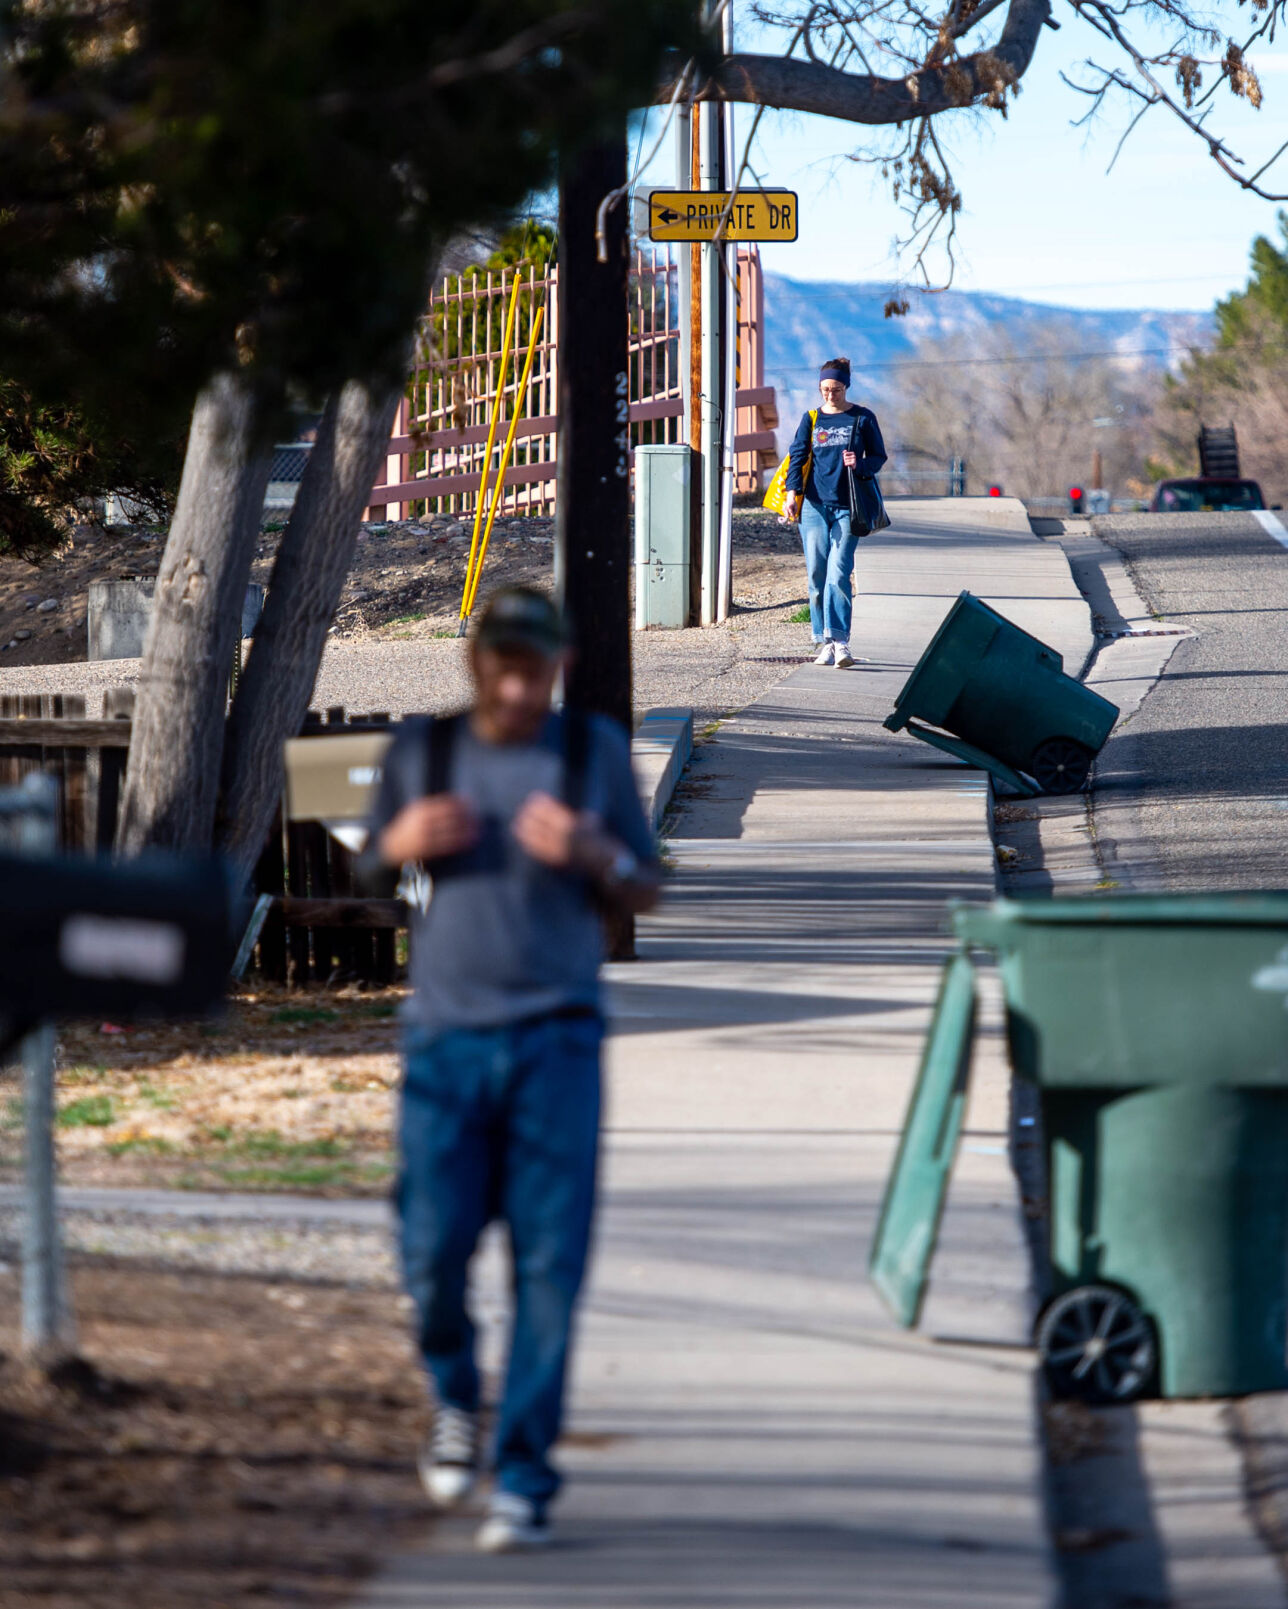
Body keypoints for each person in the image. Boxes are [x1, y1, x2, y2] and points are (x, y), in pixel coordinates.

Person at [367, 586, 661, 1553]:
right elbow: (370, 874)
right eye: (506, 668)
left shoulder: (590, 753)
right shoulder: (426, 750)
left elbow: (647, 886)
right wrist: (398, 847)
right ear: (479, 664)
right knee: (429, 1246)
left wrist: (595, 854)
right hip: (446, 1040)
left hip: (557, 1043)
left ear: (557, 666)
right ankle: (456, 1397)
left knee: (549, 1266)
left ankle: (525, 1475)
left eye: (538, 671)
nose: (522, 688)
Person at [783, 357, 887, 668]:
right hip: (814, 505)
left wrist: (861, 464)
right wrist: (792, 495)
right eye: (825, 389)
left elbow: (879, 456)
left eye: (836, 389)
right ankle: (823, 641)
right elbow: (797, 456)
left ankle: (840, 641)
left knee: (839, 573)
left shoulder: (862, 418)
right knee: (816, 574)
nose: (830, 395)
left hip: (849, 508)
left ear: (846, 387)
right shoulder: (811, 419)